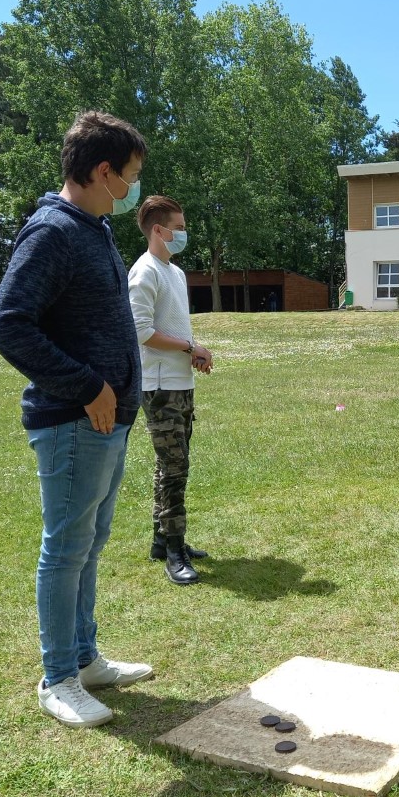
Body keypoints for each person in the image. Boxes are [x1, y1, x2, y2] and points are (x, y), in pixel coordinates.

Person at [0, 110, 153, 729]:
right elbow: (6, 324)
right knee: (65, 549)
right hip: (72, 420)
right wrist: (87, 386)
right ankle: (57, 678)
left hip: (109, 422)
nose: (132, 189)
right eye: (130, 177)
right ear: (103, 171)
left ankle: (84, 659)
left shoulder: (94, 227)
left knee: (89, 544)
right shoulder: (52, 232)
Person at [128, 194, 214, 586]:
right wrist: (188, 347)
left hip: (181, 383)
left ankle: (162, 539)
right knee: (176, 468)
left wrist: (191, 352)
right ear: (158, 231)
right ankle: (175, 552)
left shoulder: (174, 273)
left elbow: (175, 328)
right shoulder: (144, 272)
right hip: (159, 388)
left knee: (170, 465)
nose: (183, 234)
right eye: (178, 228)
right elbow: (141, 332)